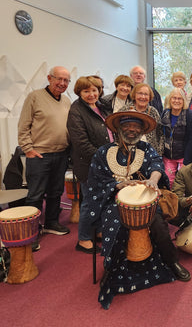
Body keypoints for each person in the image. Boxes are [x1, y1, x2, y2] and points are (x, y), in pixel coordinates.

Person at [86, 110, 190, 309]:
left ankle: (172, 262)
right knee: (114, 224)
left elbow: (157, 164)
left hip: (144, 201)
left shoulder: (146, 148)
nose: (132, 130)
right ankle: (112, 267)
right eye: (127, 126)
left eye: (136, 127)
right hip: (113, 201)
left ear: (142, 131)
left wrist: (153, 179)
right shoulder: (103, 152)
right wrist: (116, 186)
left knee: (158, 223)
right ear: (118, 129)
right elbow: (95, 182)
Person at [18, 66, 71, 244]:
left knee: (56, 192)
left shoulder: (66, 101)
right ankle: (31, 233)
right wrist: (28, 149)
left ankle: (51, 223)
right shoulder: (34, 97)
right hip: (39, 155)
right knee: (35, 195)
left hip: (61, 154)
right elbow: (23, 126)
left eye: (66, 81)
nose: (62, 83)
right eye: (59, 79)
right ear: (49, 78)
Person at [67, 76, 113, 254]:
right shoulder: (76, 110)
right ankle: (84, 239)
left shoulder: (101, 106)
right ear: (79, 92)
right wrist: (105, 157)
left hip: (105, 161)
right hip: (89, 164)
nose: (91, 94)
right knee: (89, 202)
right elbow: (81, 143)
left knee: (102, 199)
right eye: (86, 91)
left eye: (94, 90)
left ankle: (99, 230)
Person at [160, 88, 192, 188]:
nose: (176, 101)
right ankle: (172, 202)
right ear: (170, 99)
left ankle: (183, 202)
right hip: (168, 156)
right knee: (168, 181)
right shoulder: (165, 113)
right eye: (174, 98)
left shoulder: (190, 115)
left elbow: (191, 139)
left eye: (179, 99)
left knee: (184, 182)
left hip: (183, 156)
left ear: (184, 100)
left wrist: (186, 161)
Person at [119, 83, 164, 157]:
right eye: (140, 93)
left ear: (150, 97)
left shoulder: (153, 112)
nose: (143, 97)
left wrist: (159, 152)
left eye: (146, 94)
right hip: (128, 153)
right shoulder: (125, 110)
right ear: (134, 95)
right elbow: (117, 131)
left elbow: (160, 133)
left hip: (150, 154)